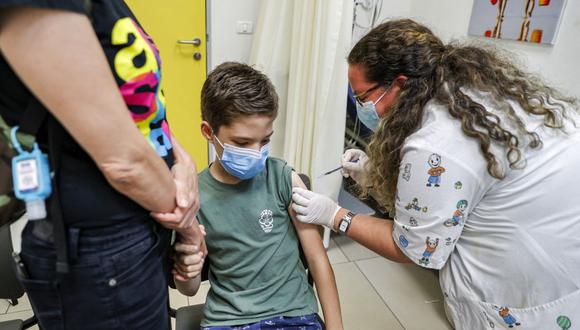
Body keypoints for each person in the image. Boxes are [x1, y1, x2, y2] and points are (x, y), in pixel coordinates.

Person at [291, 19, 580, 329]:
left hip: (525, 289)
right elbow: (463, 182)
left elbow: (413, 247)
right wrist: (375, 175)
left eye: (363, 98)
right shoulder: (485, 91)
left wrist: (336, 215)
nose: (363, 107)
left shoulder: (436, 144)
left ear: (399, 84)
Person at [0, 2, 204, 329]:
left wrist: (181, 158)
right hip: (100, 250)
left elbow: (133, 112)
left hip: (136, 228)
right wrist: (187, 224)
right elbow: (123, 161)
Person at [174, 62, 343, 330]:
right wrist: (187, 267)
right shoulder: (194, 196)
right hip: (228, 321)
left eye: (264, 141)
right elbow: (189, 288)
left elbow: (317, 259)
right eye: (242, 143)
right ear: (209, 132)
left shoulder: (282, 178)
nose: (256, 152)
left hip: (294, 315)